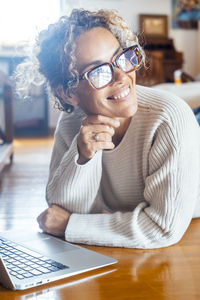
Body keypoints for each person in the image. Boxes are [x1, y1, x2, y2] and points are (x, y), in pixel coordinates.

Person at [17, 8, 200, 249]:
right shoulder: (72, 121)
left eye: (121, 58)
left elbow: (163, 227)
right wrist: (82, 156)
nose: (121, 77)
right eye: (98, 71)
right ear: (69, 93)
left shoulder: (169, 119)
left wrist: (69, 226)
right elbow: (61, 211)